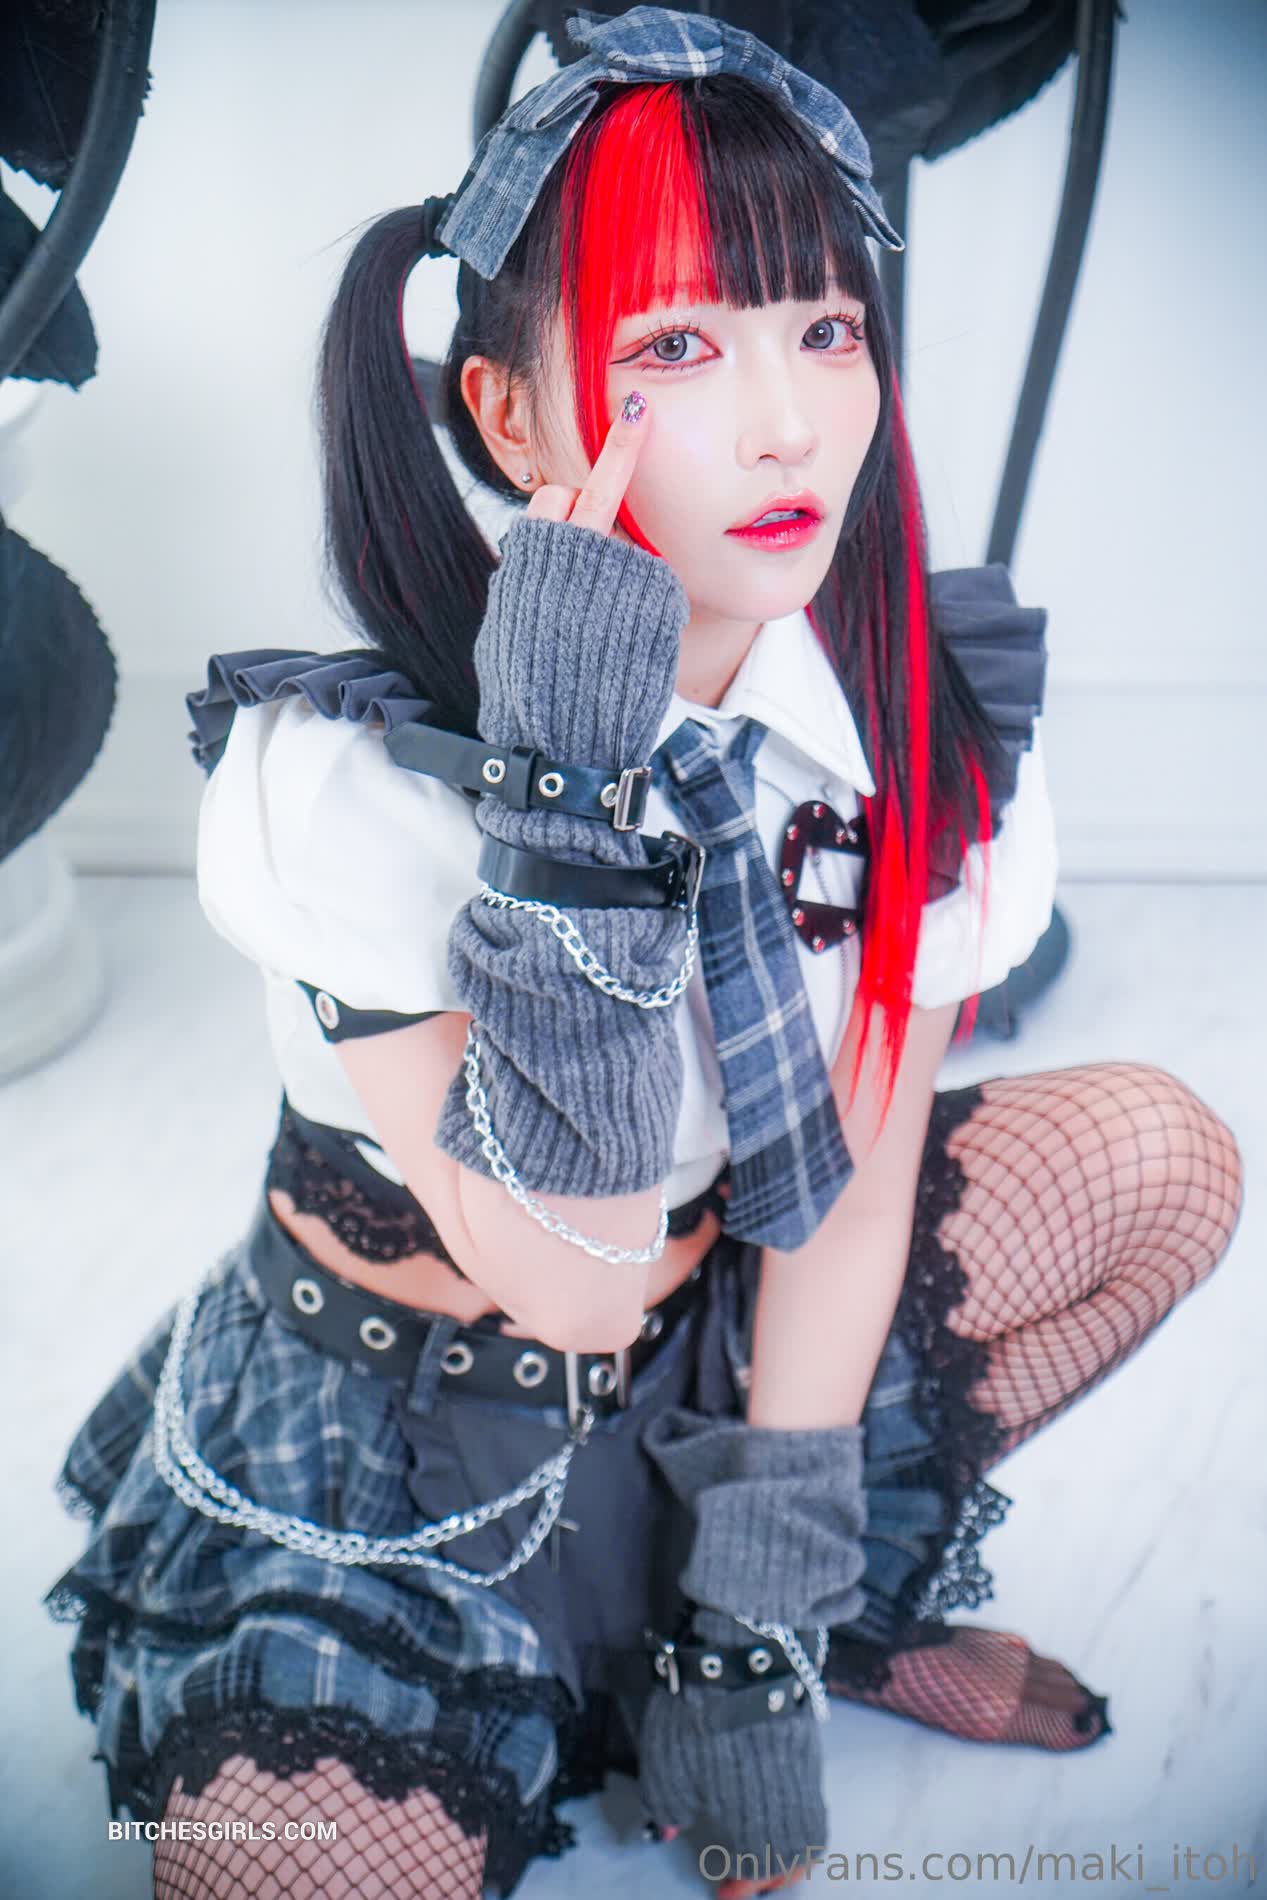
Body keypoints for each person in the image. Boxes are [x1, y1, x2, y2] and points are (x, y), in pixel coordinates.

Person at [44, 8, 1244, 1898]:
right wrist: (570, 787)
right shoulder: (347, 784)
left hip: (719, 1367)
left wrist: (757, 1638)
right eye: (677, 345)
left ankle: (795, 1618)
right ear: (512, 416)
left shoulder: (916, 715)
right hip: (409, 1451)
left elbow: (848, 1200)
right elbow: (573, 1284)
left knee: (1162, 1155)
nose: (788, 424)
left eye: (824, 328)